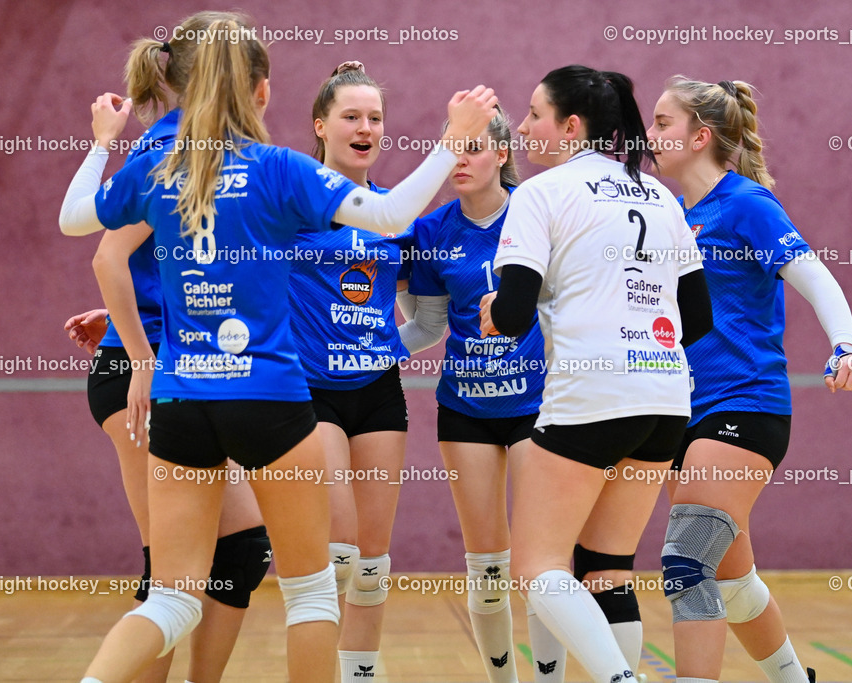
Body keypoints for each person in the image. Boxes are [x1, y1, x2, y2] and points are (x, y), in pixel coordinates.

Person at [58, 10, 497, 682]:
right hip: (268, 397)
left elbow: (73, 219)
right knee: (312, 591)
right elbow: (387, 215)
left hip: (179, 395)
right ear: (260, 93)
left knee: (172, 594)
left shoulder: (156, 167)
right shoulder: (277, 169)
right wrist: (451, 140)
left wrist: (99, 142)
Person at [478, 65, 713, 683]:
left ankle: (620, 679)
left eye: (534, 114)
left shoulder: (541, 193)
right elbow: (698, 316)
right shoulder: (661, 196)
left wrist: (494, 312)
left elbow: (513, 311)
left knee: (538, 566)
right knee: (607, 567)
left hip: (591, 396)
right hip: (665, 397)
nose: (525, 128)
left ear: (571, 126)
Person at [60, 26, 274, 680]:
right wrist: (140, 349)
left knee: (234, 550)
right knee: (173, 574)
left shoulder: (214, 147)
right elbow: (98, 244)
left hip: (167, 365)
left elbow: (180, 258)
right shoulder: (172, 141)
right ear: (242, 84)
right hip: (144, 376)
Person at [646, 76, 852, 683]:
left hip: (743, 407)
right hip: (681, 415)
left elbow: (816, 276)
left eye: (663, 124)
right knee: (733, 581)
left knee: (686, 562)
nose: (650, 134)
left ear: (700, 136)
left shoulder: (746, 204)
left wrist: (844, 347)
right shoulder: (670, 215)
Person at [403, 105, 555, 683]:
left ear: (501, 153)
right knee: (487, 569)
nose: (458, 159)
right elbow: (427, 326)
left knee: (540, 567)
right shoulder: (435, 229)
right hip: (465, 409)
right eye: (451, 148)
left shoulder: (536, 213)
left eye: (471, 147)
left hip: (537, 408)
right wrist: (374, 350)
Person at [287, 61, 412, 682]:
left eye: (375, 118)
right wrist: (131, 321)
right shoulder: (291, 204)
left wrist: (395, 345)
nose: (365, 127)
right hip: (313, 392)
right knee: (336, 549)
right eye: (351, 116)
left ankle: (362, 673)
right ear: (321, 125)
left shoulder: (397, 212)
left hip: (380, 391)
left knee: (372, 560)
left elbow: (434, 308)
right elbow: (231, 280)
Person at [63, 309, 269, 683]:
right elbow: (107, 257)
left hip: (185, 364)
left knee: (242, 550)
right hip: (149, 371)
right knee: (167, 575)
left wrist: (119, 313)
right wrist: (140, 357)